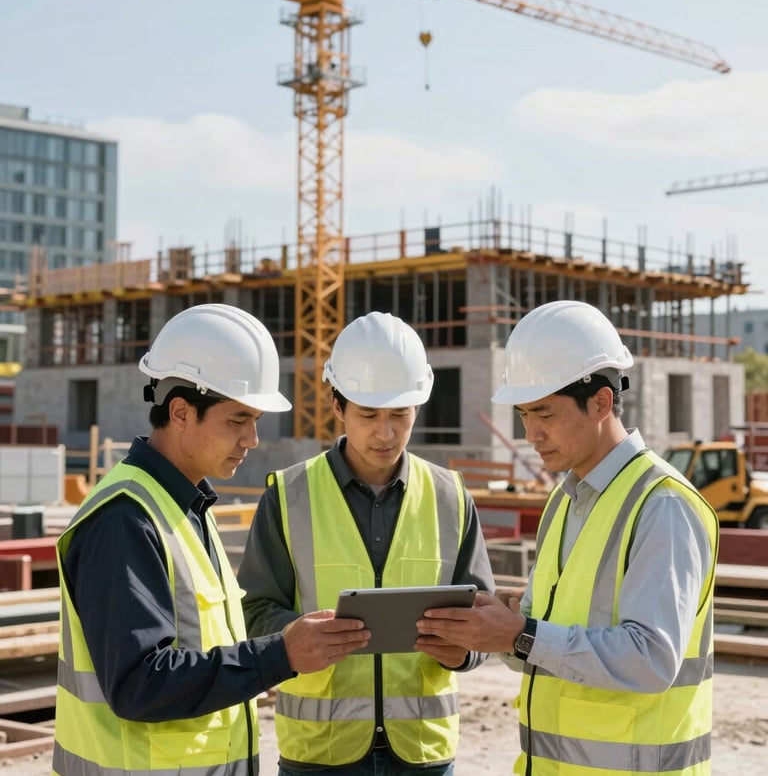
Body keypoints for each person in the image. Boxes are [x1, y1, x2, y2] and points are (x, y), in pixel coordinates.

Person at [52, 304, 370, 776]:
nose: (253, 439)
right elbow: (139, 684)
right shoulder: (125, 520)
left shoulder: (185, 507)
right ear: (180, 412)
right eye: (237, 420)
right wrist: (280, 654)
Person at [416, 300, 720, 775]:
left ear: (601, 401)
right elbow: (550, 646)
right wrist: (504, 629)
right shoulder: (565, 500)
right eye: (523, 415)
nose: (531, 433)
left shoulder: (662, 506)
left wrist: (522, 634)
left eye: (545, 413)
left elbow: (652, 660)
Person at [238, 310, 495, 775]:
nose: (385, 432)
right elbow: (253, 611)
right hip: (320, 754)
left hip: (423, 754)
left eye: (400, 414)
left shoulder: (451, 498)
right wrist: (300, 639)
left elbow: (482, 617)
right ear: (338, 407)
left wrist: (466, 651)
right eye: (369, 414)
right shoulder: (288, 496)